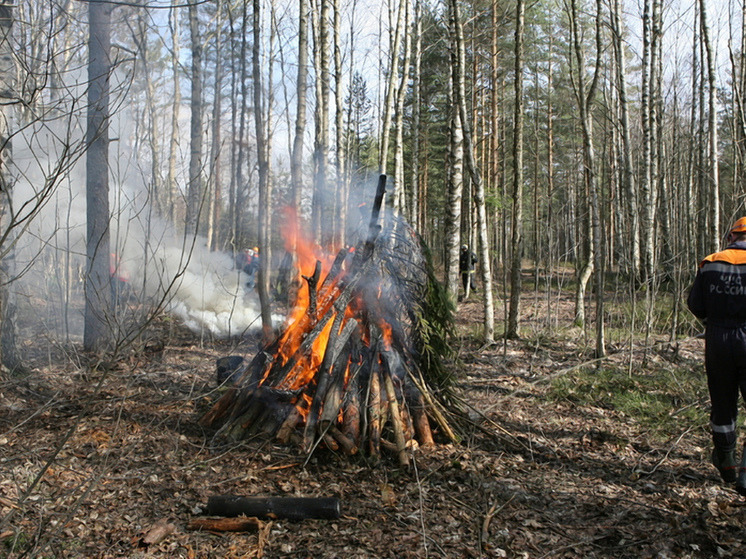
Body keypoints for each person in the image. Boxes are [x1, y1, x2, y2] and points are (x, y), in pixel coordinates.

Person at [688, 216, 746, 495]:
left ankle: (726, 463)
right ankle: (745, 476)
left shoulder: (710, 262)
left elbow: (695, 304)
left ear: (731, 236)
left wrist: (713, 321)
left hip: (718, 340)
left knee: (723, 402)